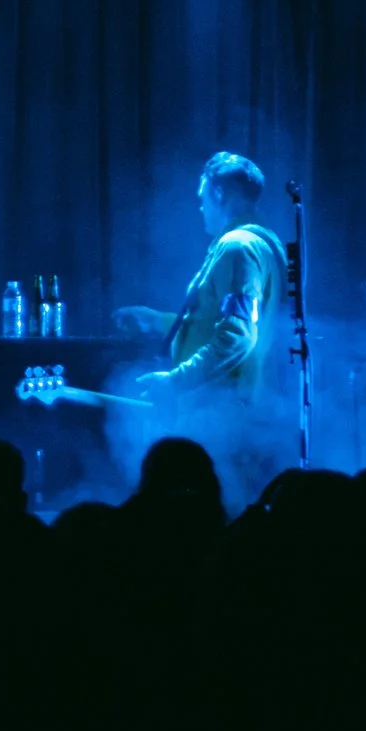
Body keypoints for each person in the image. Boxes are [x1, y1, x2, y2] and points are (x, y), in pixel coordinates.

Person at [114, 151, 289, 508]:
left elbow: (237, 334)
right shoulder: (262, 244)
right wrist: (158, 320)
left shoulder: (237, 247)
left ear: (220, 194)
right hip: (235, 410)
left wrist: (175, 381)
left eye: (202, 198)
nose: (200, 209)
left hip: (219, 415)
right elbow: (224, 322)